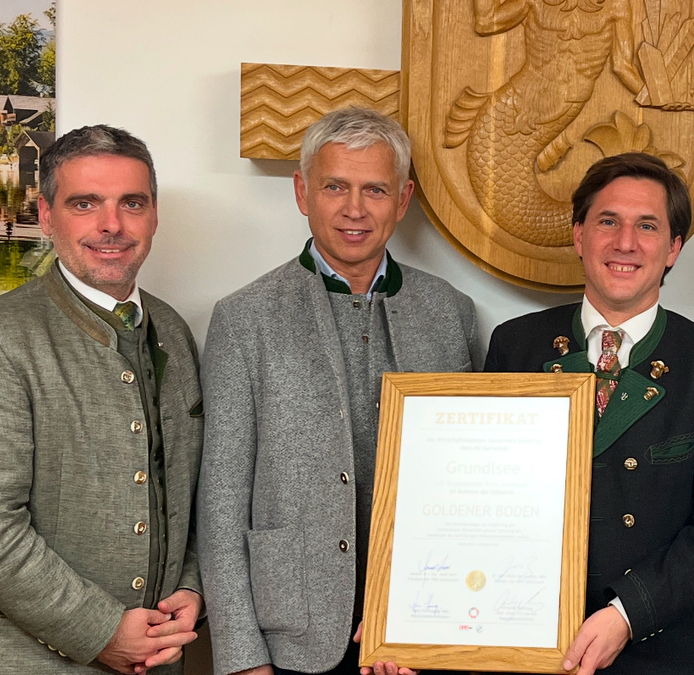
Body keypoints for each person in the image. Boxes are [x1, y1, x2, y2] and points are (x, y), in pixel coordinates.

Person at [197, 106, 481, 675]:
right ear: (302, 192)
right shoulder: (244, 319)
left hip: (420, 631)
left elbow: (471, 485)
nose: (355, 209)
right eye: (335, 187)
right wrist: (241, 655)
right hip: (290, 636)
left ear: (403, 199)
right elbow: (221, 500)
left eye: (375, 189)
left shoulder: (451, 313)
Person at [0, 125, 205, 674]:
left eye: (132, 203)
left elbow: (191, 491)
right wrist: (100, 631)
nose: (112, 224)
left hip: (161, 657)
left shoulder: (173, 329)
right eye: (85, 203)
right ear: (46, 215)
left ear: (154, 215)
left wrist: (192, 588)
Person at [483, 152, 694, 675]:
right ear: (579, 236)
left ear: (674, 248)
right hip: (525, 635)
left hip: (659, 647)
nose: (625, 243)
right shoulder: (514, 346)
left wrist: (626, 613)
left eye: (648, 226)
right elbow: (481, 495)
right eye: (608, 221)